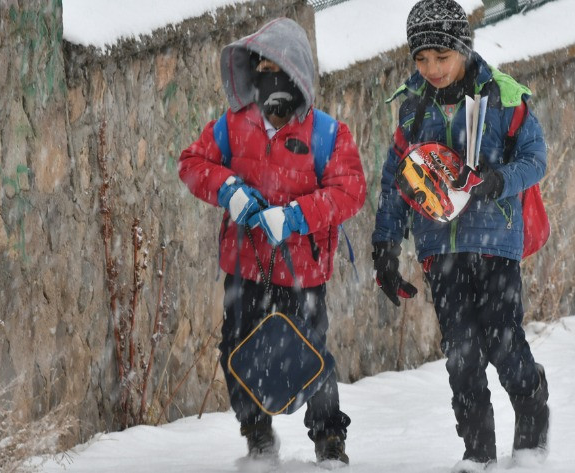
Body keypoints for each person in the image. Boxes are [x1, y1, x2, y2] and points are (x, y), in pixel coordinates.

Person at [178, 17, 365, 466]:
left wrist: (298, 217)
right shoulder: (231, 125)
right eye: (259, 67)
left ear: (296, 72)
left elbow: (350, 190)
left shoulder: (327, 134)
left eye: (275, 67)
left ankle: (328, 439)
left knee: (311, 354)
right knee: (235, 348)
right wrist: (229, 189)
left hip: (304, 270)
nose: (267, 77)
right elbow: (192, 164)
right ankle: (256, 431)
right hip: (245, 264)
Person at [371, 0, 550, 471]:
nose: (431, 69)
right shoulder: (411, 108)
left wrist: (497, 181)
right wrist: (385, 246)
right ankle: (478, 456)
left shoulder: (504, 99)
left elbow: (535, 159)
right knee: (461, 354)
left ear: (464, 48)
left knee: (502, 341)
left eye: (441, 57)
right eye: (421, 59)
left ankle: (531, 418)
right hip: (439, 248)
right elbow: (396, 182)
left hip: (495, 242)